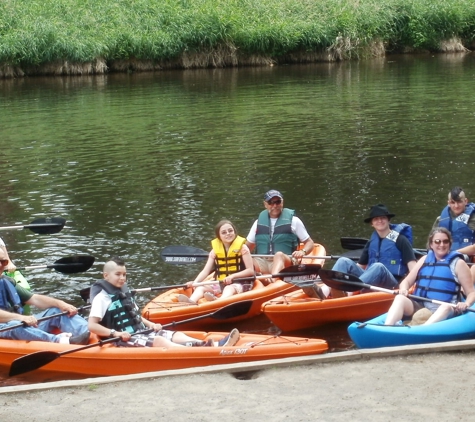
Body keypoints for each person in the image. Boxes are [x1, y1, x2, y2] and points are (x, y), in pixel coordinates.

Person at [88, 257, 240, 348]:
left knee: (174, 334)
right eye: (118, 274)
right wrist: (116, 333)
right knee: (160, 340)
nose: (122, 278)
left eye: (124, 275)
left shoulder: (123, 292)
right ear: (106, 275)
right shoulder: (102, 297)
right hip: (120, 339)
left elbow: (135, 316)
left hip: (140, 332)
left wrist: (150, 325)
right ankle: (209, 350)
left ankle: (210, 345)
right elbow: (92, 325)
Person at [385, 227, 475, 325]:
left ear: (449, 243)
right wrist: (404, 289)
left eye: (445, 241)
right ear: (431, 244)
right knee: (400, 298)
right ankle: (387, 327)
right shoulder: (424, 259)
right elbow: (406, 282)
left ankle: (422, 330)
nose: (442, 245)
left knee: (446, 307)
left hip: (444, 309)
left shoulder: (458, 263)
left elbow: (471, 293)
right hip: (420, 306)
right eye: (437, 241)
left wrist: (466, 303)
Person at [0, 249, 90, 344]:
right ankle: (60, 341)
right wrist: (21, 318)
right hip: (9, 328)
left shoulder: (6, 281)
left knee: (57, 311)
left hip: (16, 324)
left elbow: (34, 298)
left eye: (3, 261)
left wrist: (60, 304)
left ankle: (90, 333)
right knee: (16, 325)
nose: (0, 265)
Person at [330, 204, 417, 293]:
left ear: (388, 220)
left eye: (383, 218)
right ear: (372, 223)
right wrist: (347, 274)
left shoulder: (401, 240)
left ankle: (351, 292)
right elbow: (360, 266)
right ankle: (329, 290)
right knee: (343, 261)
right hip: (372, 280)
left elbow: (413, 267)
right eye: (376, 219)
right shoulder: (371, 242)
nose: (379, 221)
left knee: (378, 266)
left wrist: (411, 285)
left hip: (393, 284)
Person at [245, 189, 315, 285]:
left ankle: (272, 282)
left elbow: (309, 242)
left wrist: (302, 251)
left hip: (286, 261)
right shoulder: (258, 222)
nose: (275, 205)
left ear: (282, 202)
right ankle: (260, 278)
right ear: (265, 204)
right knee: (247, 259)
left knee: (279, 255)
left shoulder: (294, 221)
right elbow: (247, 247)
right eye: (271, 202)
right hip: (263, 261)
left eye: (278, 202)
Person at [178, 220, 255, 303]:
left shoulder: (243, 248)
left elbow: (250, 271)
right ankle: (190, 302)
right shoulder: (215, 251)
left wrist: (232, 276)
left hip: (240, 282)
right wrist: (195, 282)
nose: (228, 233)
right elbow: (205, 271)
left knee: (229, 288)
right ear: (219, 236)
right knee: (201, 287)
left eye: (230, 231)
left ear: (235, 232)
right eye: (224, 232)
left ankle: (218, 301)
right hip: (221, 282)